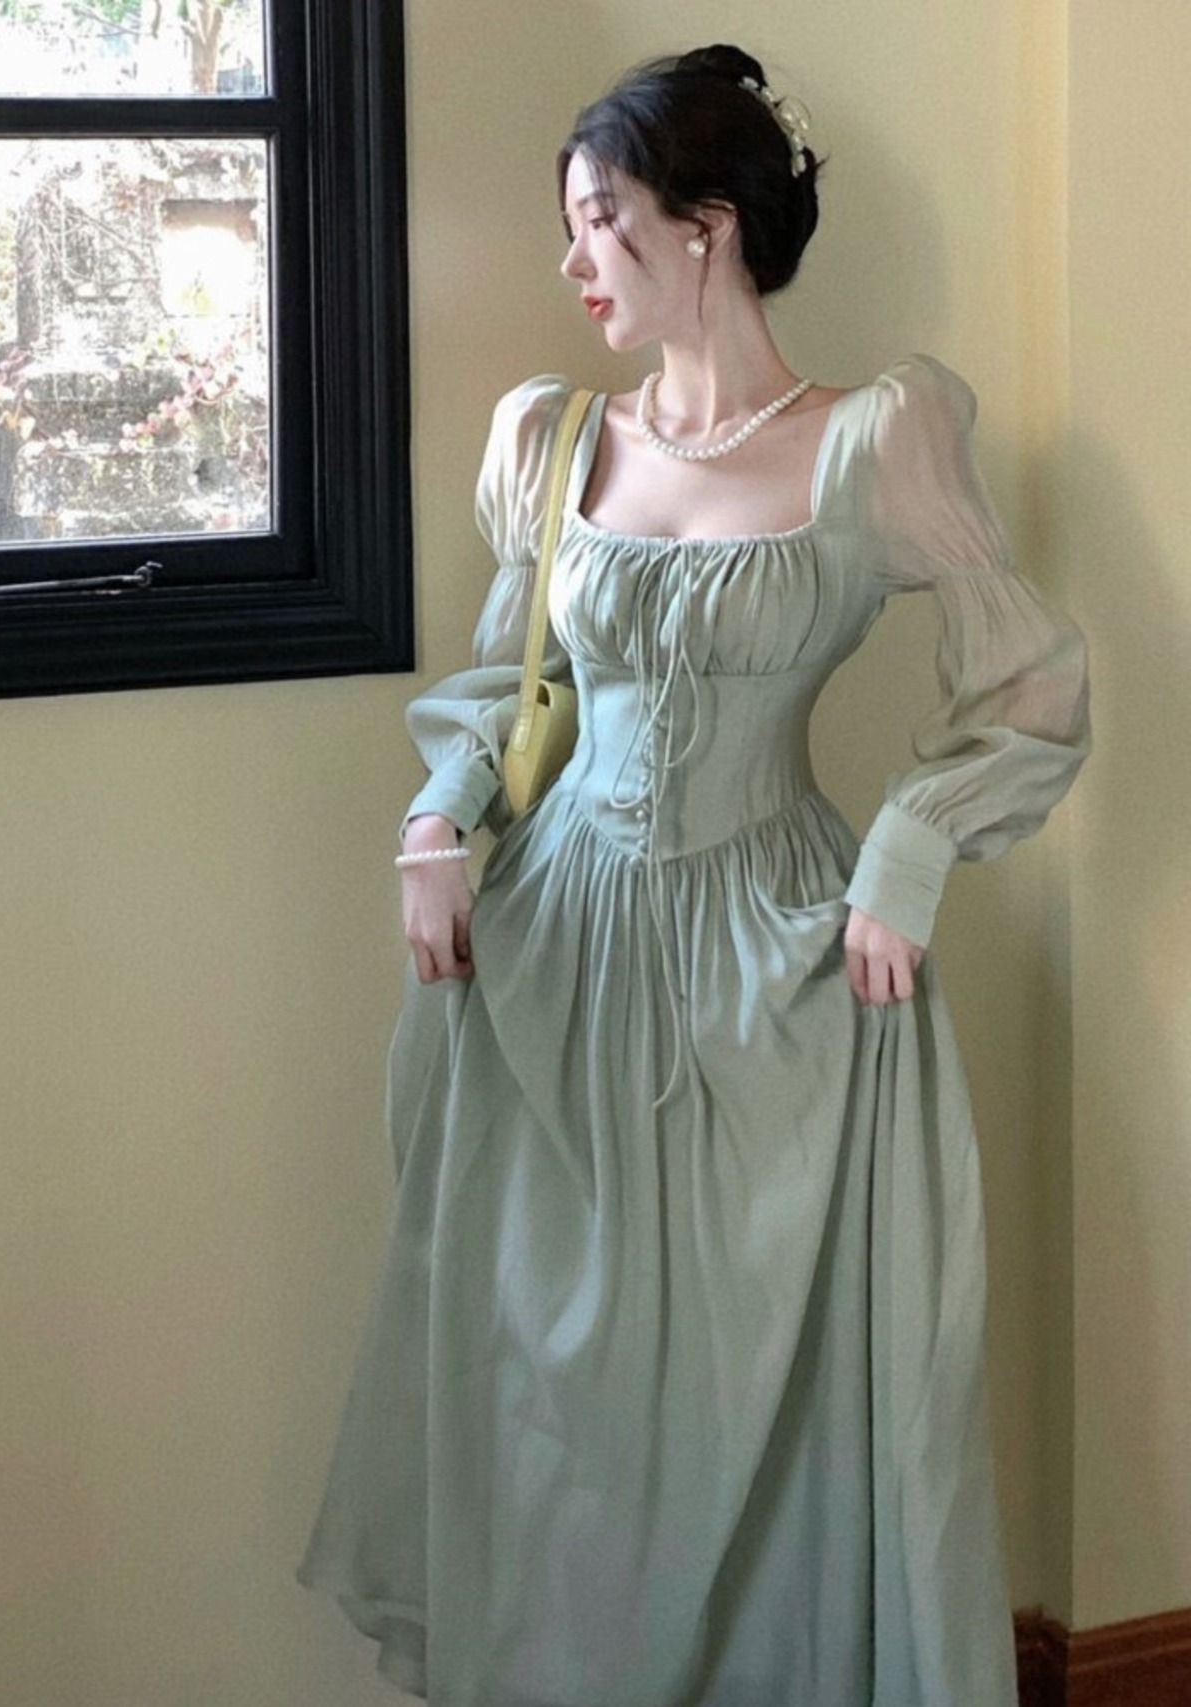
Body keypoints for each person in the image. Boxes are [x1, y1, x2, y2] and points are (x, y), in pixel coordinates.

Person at [299, 43, 1089, 1707]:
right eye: (571, 226)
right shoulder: (555, 442)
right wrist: (437, 824)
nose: (572, 260)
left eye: (600, 219)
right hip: (558, 961)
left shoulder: (876, 441)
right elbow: (515, 684)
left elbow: (1029, 688)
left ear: (707, 224)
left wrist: (911, 850)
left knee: (766, 1404)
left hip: (777, 970)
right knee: (550, 1407)